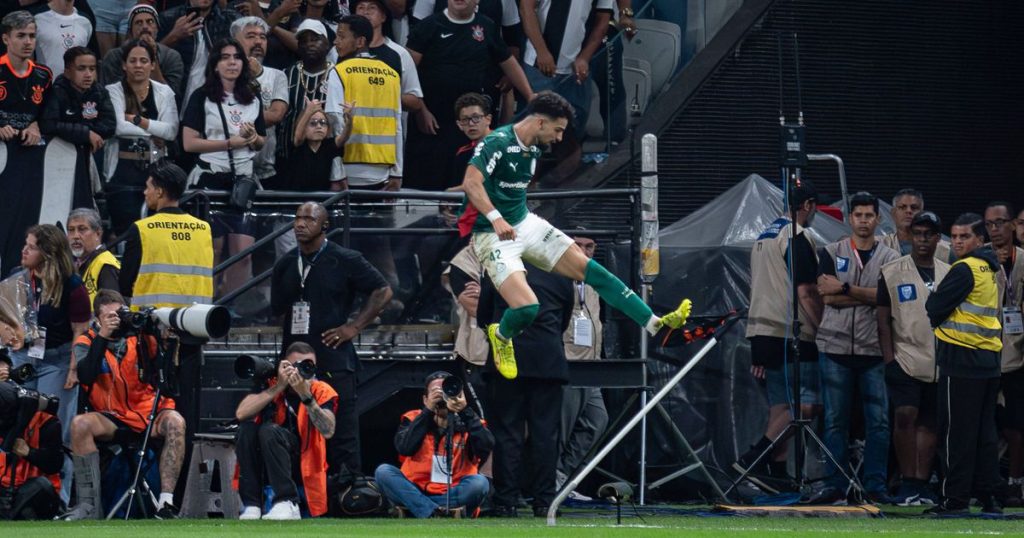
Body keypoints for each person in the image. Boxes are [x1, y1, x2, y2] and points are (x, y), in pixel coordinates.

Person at [460, 91, 691, 380]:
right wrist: (495, 218)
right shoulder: (497, 142)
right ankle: (502, 336)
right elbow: (470, 183)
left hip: (525, 224)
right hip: (493, 235)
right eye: (557, 130)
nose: (559, 139)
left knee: (594, 272)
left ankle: (656, 324)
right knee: (528, 307)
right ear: (541, 122)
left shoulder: (534, 147)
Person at [270, 202, 392, 474]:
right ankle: (293, 496)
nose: (300, 224)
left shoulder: (345, 258)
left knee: (342, 432)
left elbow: (383, 290)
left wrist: (353, 327)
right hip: (294, 359)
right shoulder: (286, 263)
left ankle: (348, 494)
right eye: (297, 218)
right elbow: (277, 310)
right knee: (290, 424)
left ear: (324, 226)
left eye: (309, 219)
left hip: (333, 358)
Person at [62, 289, 187, 520]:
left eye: (121, 314)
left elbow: (168, 375)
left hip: (149, 410)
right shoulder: (86, 341)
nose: (118, 320)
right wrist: (103, 337)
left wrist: (166, 341)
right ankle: (88, 506)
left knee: (176, 422)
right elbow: (86, 375)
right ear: (97, 319)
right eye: (110, 316)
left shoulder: (141, 337)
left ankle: (165, 503)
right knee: (80, 424)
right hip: (113, 415)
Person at [808, 192, 899, 505]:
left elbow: (888, 298)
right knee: (835, 421)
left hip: (874, 348)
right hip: (833, 347)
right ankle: (836, 485)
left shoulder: (890, 257)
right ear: (849, 218)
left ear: (877, 219)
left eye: (868, 215)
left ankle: (876, 486)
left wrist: (845, 288)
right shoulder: (831, 251)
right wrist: (868, 295)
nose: (863, 221)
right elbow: (826, 296)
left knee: (880, 422)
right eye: (858, 215)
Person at [118, 160, 213, 451]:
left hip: (151, 338)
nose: (145, 193)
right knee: (187, 411)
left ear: (159, 191)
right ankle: (183, 487)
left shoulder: (143, 229)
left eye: (148, 187)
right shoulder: (203, 229)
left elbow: (125, 285)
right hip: (193, 331)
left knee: (153, 411)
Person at [737, 179, 822, 493]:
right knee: (808, 405)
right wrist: (822, 328)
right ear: (809, 205)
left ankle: (775, 472)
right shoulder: (797, 236)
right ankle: (753, 460)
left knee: (780, 406)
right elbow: (806, 290)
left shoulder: (765, 236)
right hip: (790, 331)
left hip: (762, 331)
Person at [405, 0, 534, 191]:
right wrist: (420, 110)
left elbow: (508, 62)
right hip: (433, 118)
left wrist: (530, 95)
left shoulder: (487, 26)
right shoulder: (428, 26)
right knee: (428, 179)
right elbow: (407, 73)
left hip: (469, 120)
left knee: (466, 175)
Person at [478, 261, 573, 517]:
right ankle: (544, 501)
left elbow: (483, 317)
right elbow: (565, 316)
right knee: (546, 434)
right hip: (547, 360)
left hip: (507, 358)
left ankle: (506, 500)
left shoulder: (498, 268)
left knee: (507, 431)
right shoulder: (559, 272)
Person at [924, 213, 1003, 515]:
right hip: (988, 360)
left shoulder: (965, 268)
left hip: (961, 359)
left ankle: (954, 499)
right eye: (954, 236)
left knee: (955, 434)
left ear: (979, 239)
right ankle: (990, 496)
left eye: (964, 236)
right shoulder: (990, 267)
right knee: (985, 434)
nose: (957, 242)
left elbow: (934, 306)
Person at [8, 224, 90, 504]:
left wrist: (73, 369)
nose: (24, 250)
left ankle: (60, 498)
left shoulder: (72, 285)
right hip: (24, 357)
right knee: (16, 418)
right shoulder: (17, 280)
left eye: (30, 246)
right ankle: (14, 491)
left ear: (47, 252)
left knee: (56, 426)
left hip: (56, 359)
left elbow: (80, 332)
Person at [182, 37, 266, 298]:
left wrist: (253, 138)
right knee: (213, 251)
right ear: (215, 65)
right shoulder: (201, 97)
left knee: (242, 253)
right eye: (225, 57)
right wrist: (230, 142)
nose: (232, 62)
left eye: (237, 57)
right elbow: (188, 143)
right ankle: (208, 303)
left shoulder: (252, 97)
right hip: (210, 179)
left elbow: (261, 141)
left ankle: (233, 307)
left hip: (242, 181)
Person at [876, 211, 950, 506]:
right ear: (910, 236)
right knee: (905, 416)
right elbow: (883, 320)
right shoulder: (892, 271)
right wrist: (889, 360)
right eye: (917, 233)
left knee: (930, 423)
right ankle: (907, 481)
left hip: (939, 361)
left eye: (928, 234)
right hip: (905, 358)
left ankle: (921, 481)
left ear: (937, 238)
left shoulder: (949, 272)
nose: (922, 239)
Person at [235, 341, 338, 519]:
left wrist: (305, 395)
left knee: (269, 430)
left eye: (308, 365)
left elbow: (328, 430)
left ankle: (287, 501)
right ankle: (252, 505)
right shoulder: (274, 383)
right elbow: (241, 413)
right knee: (246, 429)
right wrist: (278, 387)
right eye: (296, 366)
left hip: (303, 460)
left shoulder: (320, 389)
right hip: (268, 455)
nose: (302, 371)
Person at [375, 371, 493, 518]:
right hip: (415, 488)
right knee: (383, 472)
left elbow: (486, 448)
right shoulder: (413, 418)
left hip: (453, 491)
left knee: (479, 483)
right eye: (436, 392)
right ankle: (438, 511)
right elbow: (405, 448)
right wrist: (428, 411)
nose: (442, 397)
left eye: (446, 391)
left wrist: (464, 411)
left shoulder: (470, 421)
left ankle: (420, 509)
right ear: (425, 399)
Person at [103, 38, 181, 236]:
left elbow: (171, 131)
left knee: (155, 232)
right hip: (122, 172)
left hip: (156, 170)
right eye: (133, 60)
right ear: (124, 64)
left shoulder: (165, 92)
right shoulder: (113, 91)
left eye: (144, 61)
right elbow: (119, 127)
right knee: (125, 233)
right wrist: (155, 130)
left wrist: (139, 121)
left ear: (153, 64)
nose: (138, 65)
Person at [0, 11, 52, 277]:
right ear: (6, 38)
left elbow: (49, 114)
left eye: (32, 36)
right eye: (21, 36)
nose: (28, 42)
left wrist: (37, 124)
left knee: (24, 224)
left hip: (29, 159)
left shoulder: (44, 75)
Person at [557, 234, 608, 501]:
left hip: (592, 362)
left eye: (590, 246)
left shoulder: (595, 279)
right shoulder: (555, 274)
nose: (584, 250)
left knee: (597, 420)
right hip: (567, 361)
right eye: (578, 245)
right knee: (562, 426)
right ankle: (549, 482)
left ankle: (561, 477)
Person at [325, 14, 401, 191]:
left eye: (342, 36)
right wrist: (398, 172)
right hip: (384, 169)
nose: (336, 42)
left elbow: (335, 122)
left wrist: (336, 173)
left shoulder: (339, 72)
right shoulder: (392, 74)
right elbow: (398, 126)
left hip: (348, 166)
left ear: (360, 42)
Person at [38, 46, 116, 210]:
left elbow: (110, 125)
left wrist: (87, 133)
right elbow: (48, 124)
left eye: (92, 69)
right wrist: (85, 133)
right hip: (59, 161)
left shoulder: (100, 92)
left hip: (92, 157)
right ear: (67, 71)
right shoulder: (56, 92)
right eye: (81, 69)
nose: (88, 74)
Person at [520, 0, 611, 137]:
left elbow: (602, 22)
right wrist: (541, 51)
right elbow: (526, 8)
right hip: (538, 67)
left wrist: (585, 57)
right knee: (535, 133)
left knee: (573, 134)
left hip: (576, 72)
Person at [983, 201, 1024, 507]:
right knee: (982, 421)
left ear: (1013, 225)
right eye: (989, 224)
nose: (995, 229)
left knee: (1015, 423)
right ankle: (983, 481)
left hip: (1017, 354)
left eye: (1000, 223)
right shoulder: (977, 259)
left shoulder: (1023, 260)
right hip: (983, 353)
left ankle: (1014, 481)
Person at [0, 351, 64, 520]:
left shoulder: (44, 420)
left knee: (40, 487)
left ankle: (9, 517)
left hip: (29, 492)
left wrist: (29, 453)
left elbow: (54, 465)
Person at [231, 17, 288, 186]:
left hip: (266, 169)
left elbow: (276, 115)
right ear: (234, 43)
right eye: (250, 36)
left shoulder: (277, 75)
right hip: (230, 167)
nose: (258, 42)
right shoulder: (223, 73)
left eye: (263, 37)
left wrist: (235, 115)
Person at [158, 0, 241, 109]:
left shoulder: (230, 20)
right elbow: (149, 57)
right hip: (178, 96)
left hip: (218, 96)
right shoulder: (167, 18)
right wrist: (173, 36)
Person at [352, 0, 425, 122]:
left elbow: (415, 101)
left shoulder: (399, 54)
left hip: (387, 134)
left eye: (372, 8)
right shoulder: (340, 50)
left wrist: (386, 92)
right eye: (361, 7)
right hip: (349, 132)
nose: (366, 12)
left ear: (383, 16)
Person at [276, 19, 334, 166]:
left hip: (325, 160)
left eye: (315, 39)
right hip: (288, 158)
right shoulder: (286, 74)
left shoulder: (338, 75)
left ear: (327, 43)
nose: (309, 44)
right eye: (303, 41)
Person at [99, 4, 185, 96]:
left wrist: (152, 56)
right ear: (131, 31)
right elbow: (112, 94)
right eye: (139, 23)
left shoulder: (171, 57)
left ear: (157, 29)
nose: (144, 26)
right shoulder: (114, 56)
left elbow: (170, 96)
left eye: (150, 22)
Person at [287, 101, 350, 191]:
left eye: (323, 122)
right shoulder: (299, 146)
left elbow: (344, 137)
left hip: (323, 200)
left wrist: (350, 121)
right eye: (313, 123)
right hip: (298, 199)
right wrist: (308, 112)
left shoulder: (328, 145)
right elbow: (298, 137)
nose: (319, 126)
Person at [66, 207, 120, 307]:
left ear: (98, 233)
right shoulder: (75, 264)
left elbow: (112, 310)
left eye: (82, 229)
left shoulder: (105, 265)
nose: (75, 236)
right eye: (71, 230)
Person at [881, 188, 953, 263]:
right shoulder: (880, 245)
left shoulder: (945, 250)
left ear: (922, 213)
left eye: (914, 208)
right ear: (893, 213)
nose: (908, 211)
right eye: (902, 207)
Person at [32, 0, 93, 75]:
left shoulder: (86, 21)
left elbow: (91, 61)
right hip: (44, 83)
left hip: (74, 85)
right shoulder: (36, 18)